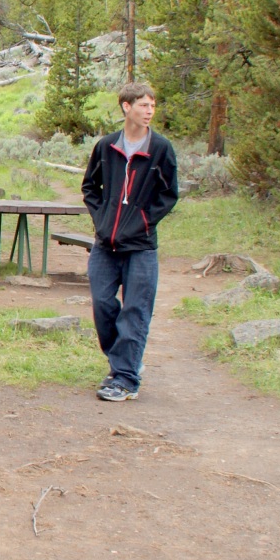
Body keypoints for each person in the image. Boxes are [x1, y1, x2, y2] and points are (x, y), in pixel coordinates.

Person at [81, 82, 178, 403]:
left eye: (152, 106)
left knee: (136, 311)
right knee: (102, 305)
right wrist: (103, 220)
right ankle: (126, 361)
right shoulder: (106, 147)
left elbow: (169, 195)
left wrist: (142, 222)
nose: (150, 111)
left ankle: (125, 379)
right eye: (143, 105)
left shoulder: (161, 149)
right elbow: (90, 187)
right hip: (105, 245)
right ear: (126, 107)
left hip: (141, 247)